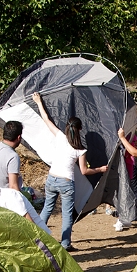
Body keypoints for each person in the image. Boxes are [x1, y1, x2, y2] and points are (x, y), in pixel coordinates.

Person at [33, 92, 108, 250]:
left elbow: (46, 120)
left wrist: (39, 102)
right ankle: (65, 244)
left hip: (52, 178)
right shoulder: (80, 149)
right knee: (66, 214)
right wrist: (100, 169)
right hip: (66, 182)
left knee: (47, 208)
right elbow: (84, 171)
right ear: (80, 130)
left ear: (67, 127)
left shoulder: (60, 137)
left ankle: (38, 237)